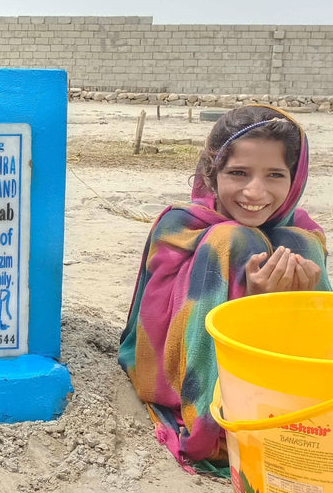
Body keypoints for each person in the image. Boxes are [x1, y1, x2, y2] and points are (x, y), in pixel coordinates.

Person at [118, 105, 331, 470]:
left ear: (294, 180)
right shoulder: (180, 226)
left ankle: (305, 407)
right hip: (178, 366)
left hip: (263, 370)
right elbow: (162, 318)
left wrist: (295, 303)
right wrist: (250, 302)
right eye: (238, 173)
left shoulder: (303, 235)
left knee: (300, 245)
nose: (255, 190)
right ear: (211, 173)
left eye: (275, 175)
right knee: (232, 238)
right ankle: (209, 420)